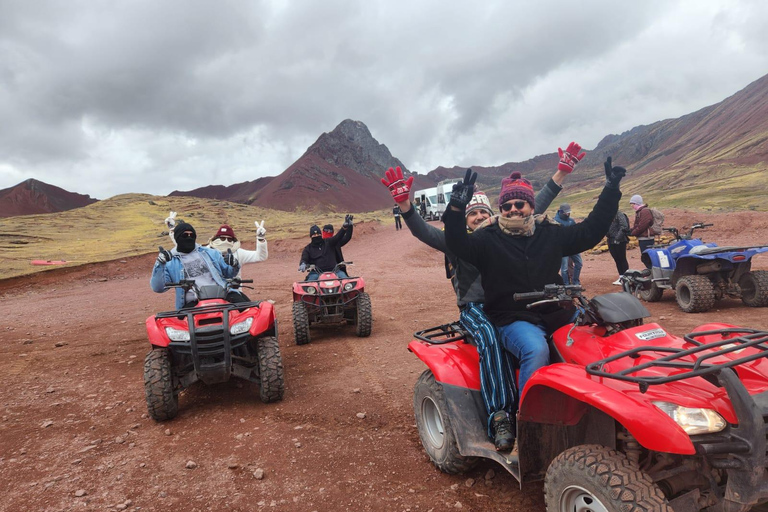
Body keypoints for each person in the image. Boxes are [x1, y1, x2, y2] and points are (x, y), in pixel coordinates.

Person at [380, 141, 584, 453]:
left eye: (483, 212)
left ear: (493, 216)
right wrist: (406, 206)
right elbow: (424, 232)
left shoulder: (502, 235)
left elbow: (531, 203)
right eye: (472, 213)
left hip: (513, 305)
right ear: (465, 219)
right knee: (490, 335)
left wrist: (560, 174)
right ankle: (501, 415)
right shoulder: (456, 243)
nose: (477, 217)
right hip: (477, 309)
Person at [443, 158, 624, 407]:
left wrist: (610, 191)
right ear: (501, 209)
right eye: (507, 205)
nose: (513, 209)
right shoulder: (486, 239)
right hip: (513, 318)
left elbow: (590, 232)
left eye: (520, 203)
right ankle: (528, 417)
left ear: (531, 205)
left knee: (602, 337)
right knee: (535, 350)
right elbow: (457, 243)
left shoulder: (549, 232)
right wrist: (456, 208)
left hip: (558, 312)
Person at [150, 222, 241, 309]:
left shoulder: (211, 253)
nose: (189, 238)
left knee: (248, 309)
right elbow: (158, 288)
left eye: (192, 235)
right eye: (185, 235)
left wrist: (234, 264)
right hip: (193, 301)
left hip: (223, 294)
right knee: (183, 319)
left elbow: (229, 274)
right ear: (177, 237)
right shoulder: (170, 262)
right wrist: (160, 264)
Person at [164, 211, 268, 280]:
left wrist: (261, 239)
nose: (225, 241)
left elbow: (260, 256)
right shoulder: (206, 251)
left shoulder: (238, 252)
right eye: (222, 238)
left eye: (229, 239)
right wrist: (173, 230)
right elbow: (185, 246)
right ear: (216, 238)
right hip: (210, 292)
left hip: (234, 291)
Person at [299, 215, 354, 280]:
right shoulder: (308, 248)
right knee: (309, 283)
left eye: (318, 234)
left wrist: (345, 227)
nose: (316, 236)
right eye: (314, 235)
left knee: (346, 281)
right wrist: (303, 264)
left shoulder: (329, 242)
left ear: (321, 234)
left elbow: (338, 236)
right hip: (316, 273)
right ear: (311, 236)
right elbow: (304, 258)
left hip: (335, 271)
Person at [554, 204, 582, 285]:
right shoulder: (555, 221)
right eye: (566, 212)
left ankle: (575, 282)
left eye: (569, 212)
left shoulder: (571, 221)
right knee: (564, 268)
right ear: (561, 211)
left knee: (579, 263)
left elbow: (575, 232)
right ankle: (566, 285)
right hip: (563, 248)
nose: (568, 214)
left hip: (573, 247)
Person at [629, 194, 654, 266]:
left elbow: (642, 226)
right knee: (646, 257)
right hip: (643, 238)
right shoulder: (640, 211)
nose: (631, 206)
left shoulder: (644, 211)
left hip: (646, 238)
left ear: (636, 203)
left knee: (648, 257)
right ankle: (650, 270)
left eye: (632, 204)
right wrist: (630, 230)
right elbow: (638, 225)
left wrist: (633, 233)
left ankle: (651, 270)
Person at [607, 210, 631, 285]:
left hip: (620, 240)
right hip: (610, 240)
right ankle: (621, 277)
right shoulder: (608, 214)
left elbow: (624, 226)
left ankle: (627, 277)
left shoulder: (619, 214)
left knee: (622, 258)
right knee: (617, 259)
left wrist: (617, 238)